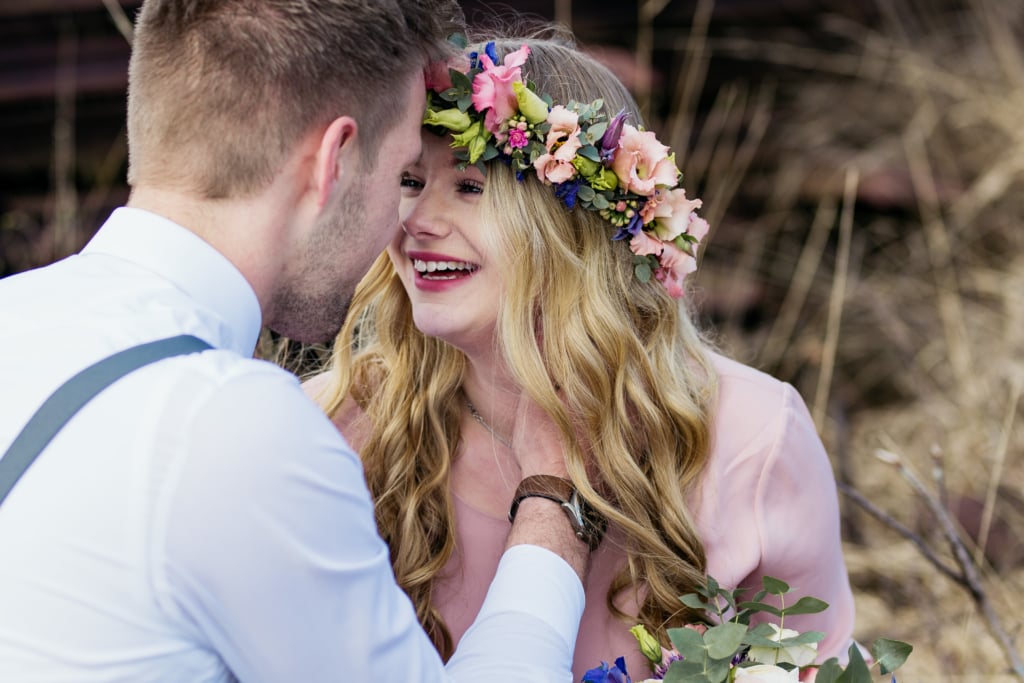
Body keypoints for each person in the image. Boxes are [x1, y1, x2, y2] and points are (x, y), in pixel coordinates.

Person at [0, 5, 596, 682]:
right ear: (333, 160)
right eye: (404, 173)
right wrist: (554, 507)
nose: (407, 223)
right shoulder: (232, 424)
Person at [306, 34, 857, 681]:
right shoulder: (335, 426)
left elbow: (814, 665)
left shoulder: (752, 435)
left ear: (572, 221)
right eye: (410, 181)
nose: (417, 219)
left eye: (470, 185)